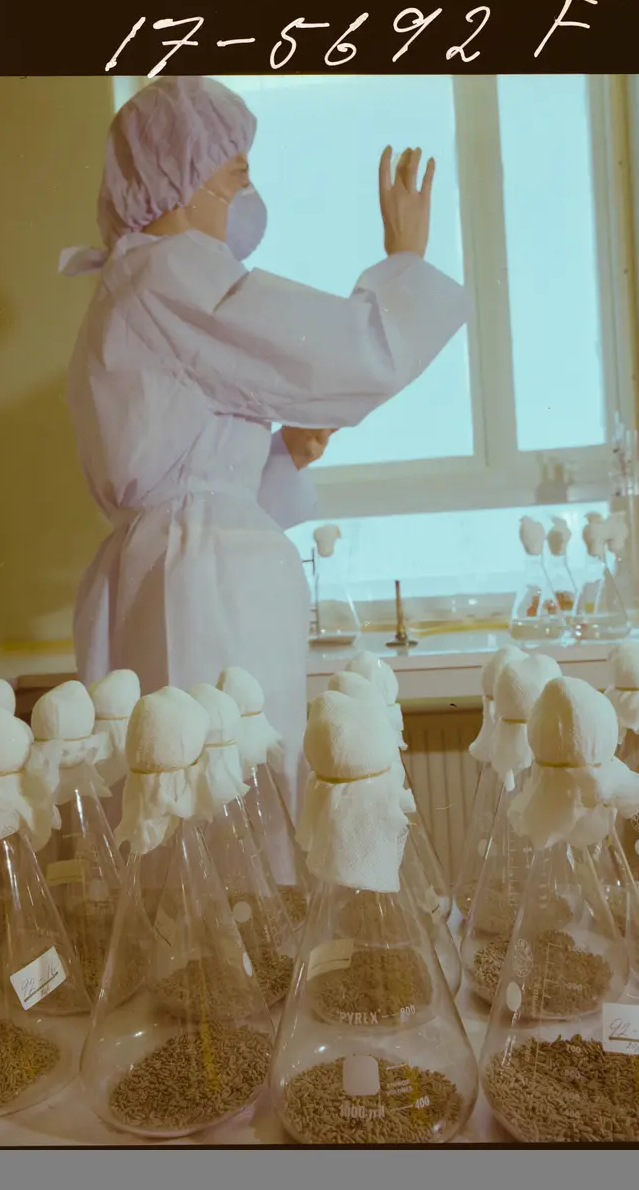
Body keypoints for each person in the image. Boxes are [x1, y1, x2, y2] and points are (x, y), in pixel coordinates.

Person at [60, 76, 469, 814]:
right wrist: (404, 260)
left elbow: (177, 459)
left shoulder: (137, 282)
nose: (245, 194)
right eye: (235, 173)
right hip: (199, 583)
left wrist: (279, 455)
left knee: (201, 793)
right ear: (181, 180)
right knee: (225, 794)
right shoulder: (171, 269)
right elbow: (340, 355)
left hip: (178, 569)